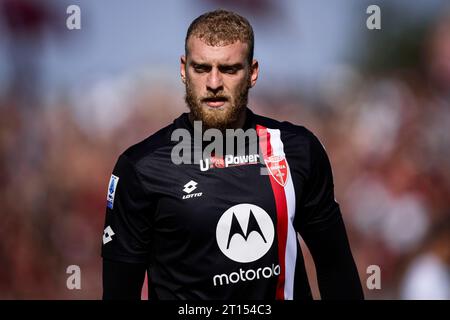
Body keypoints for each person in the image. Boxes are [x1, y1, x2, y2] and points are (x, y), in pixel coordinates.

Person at [101, 9, 364, 300]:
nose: (214, 84)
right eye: (201, 68)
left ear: (252, 73)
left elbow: (335, 268)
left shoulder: (297, 150)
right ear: (183, 69)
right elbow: (118, 294)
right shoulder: (141, 167)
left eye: (228, 69)